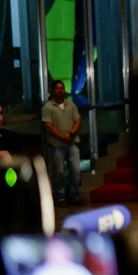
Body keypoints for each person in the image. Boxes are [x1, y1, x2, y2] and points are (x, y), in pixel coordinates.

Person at [42, 79, 83, 207]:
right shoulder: (48, 107)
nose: (60, 90)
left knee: (75, 170)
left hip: (72, 142)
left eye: (62, 88)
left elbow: (78, 121)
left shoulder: (71, 105)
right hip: (56, 145)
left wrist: (70, 134)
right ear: (52, 91)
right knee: (58, 171)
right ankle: (59, 197)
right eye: (57, 88)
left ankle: (74, 195)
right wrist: (61, 136)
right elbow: (48, 125)